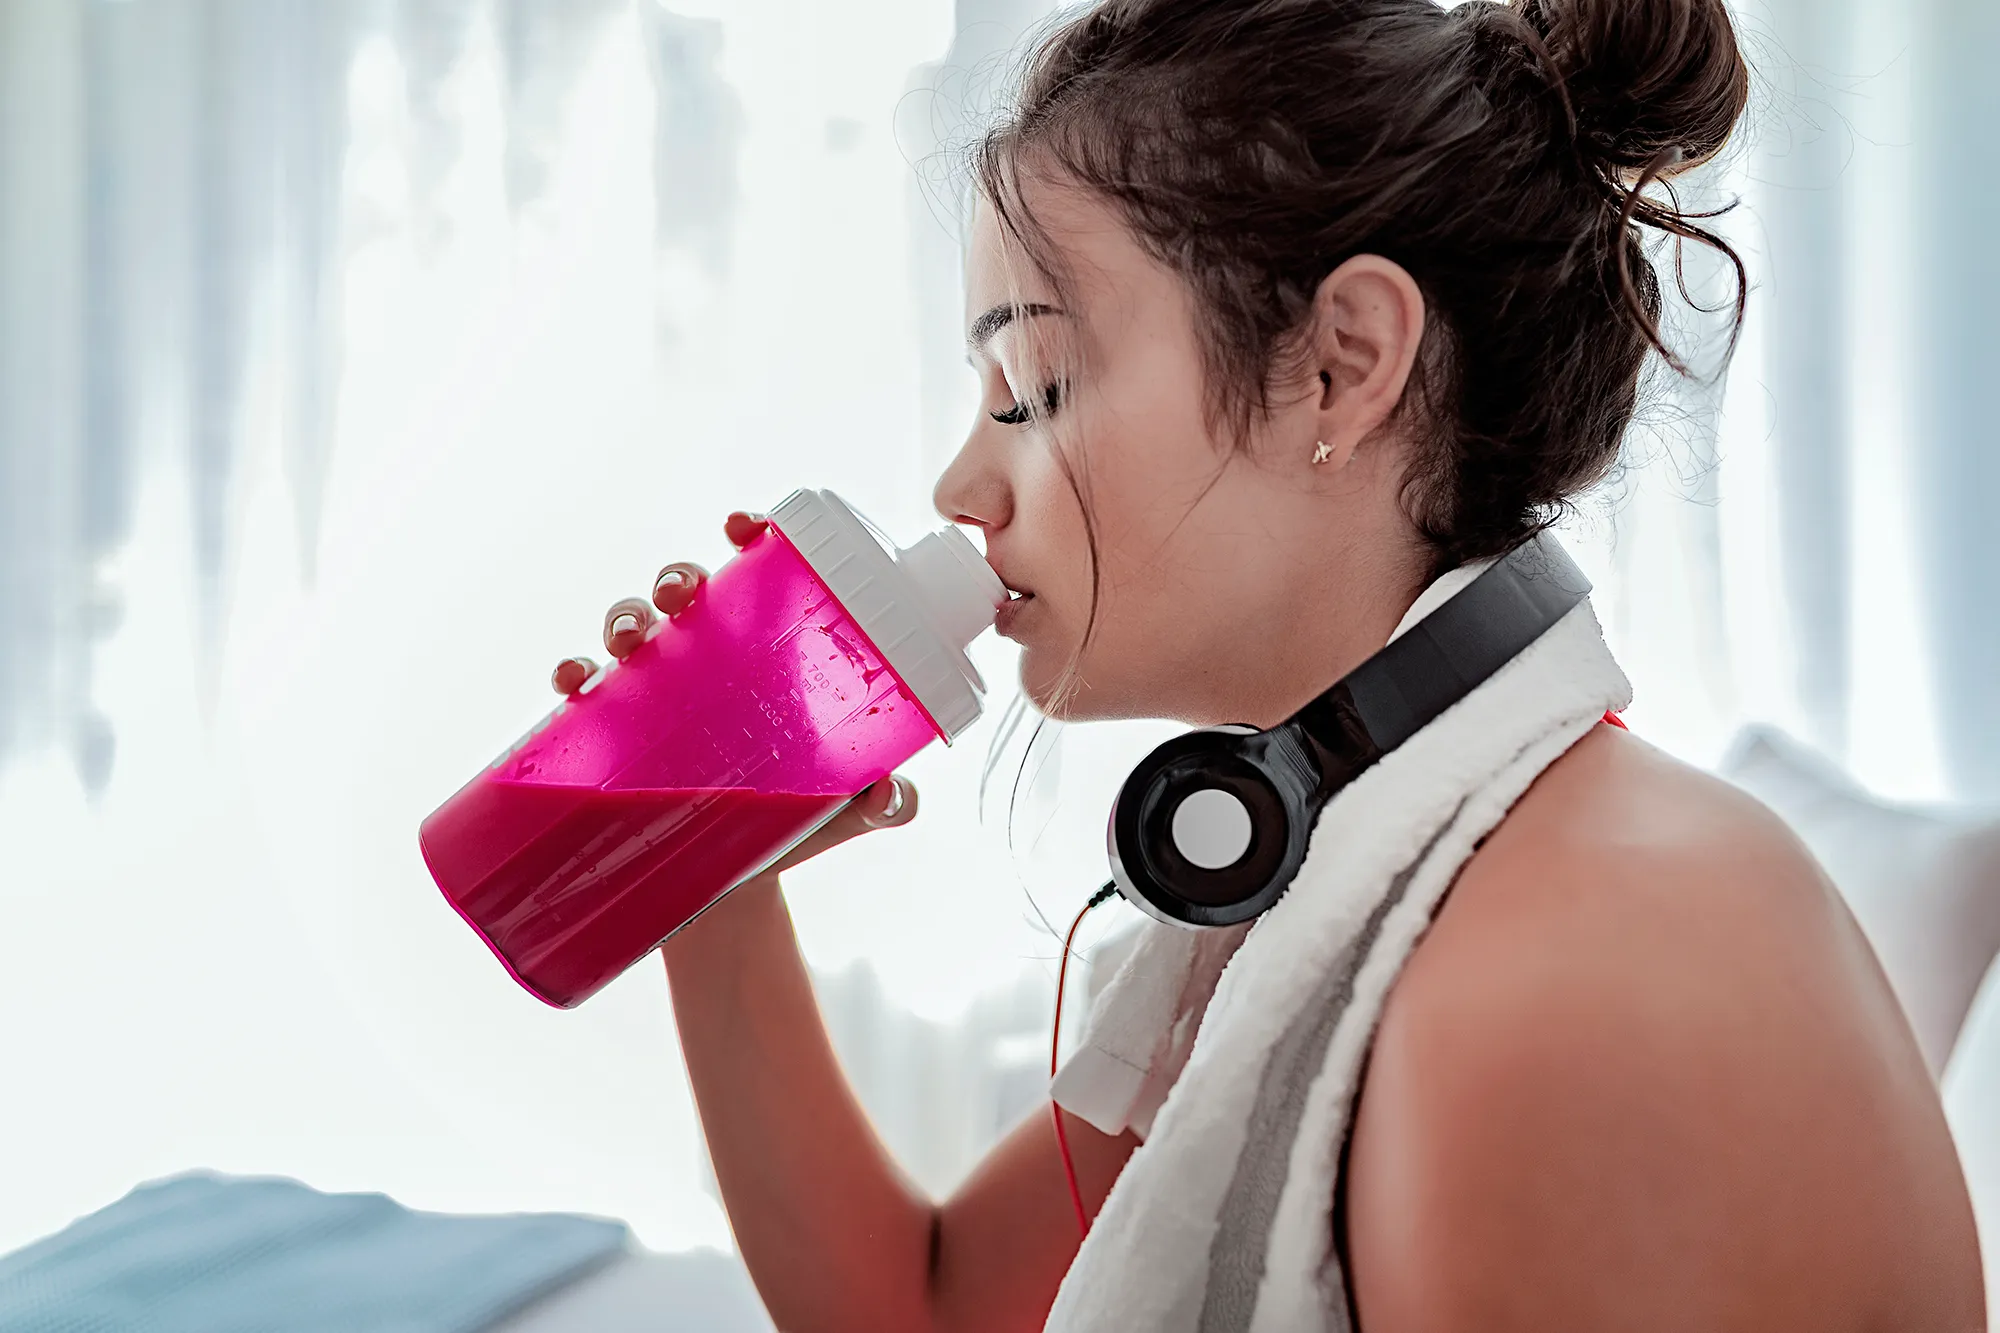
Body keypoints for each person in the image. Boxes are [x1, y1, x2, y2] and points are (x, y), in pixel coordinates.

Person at [549, 0, 1987, 1328]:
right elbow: (932, 1310)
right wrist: (708, 880)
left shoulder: (1566, 981)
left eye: (1033, 388)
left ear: (1345, 362)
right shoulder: (1330, 859)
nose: (958, 489)